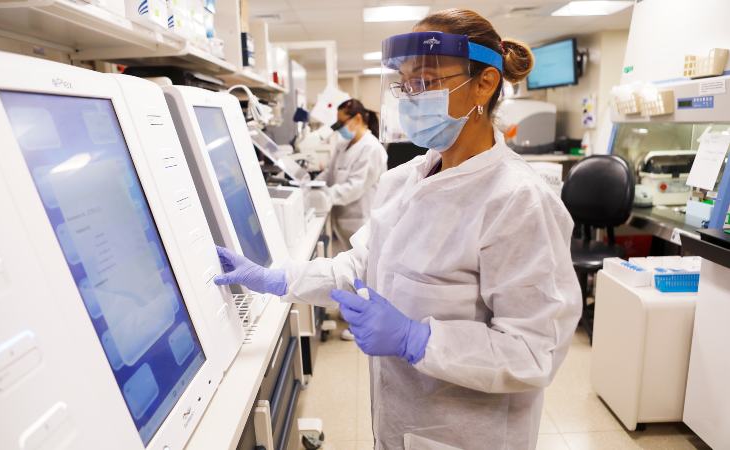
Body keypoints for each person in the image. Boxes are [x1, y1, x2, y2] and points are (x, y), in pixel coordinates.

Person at [214, 8, 581, 450]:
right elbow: (360, 267)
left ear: (485, 83)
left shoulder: (518, 201)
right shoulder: (404, 181)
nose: (411, 97)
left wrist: (418, 339)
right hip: (398, 423)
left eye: (426, 81)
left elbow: (534, 350)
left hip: (467, 436)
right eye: (405, 84)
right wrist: (278, 278)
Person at [321, 98, 387, 250]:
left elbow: (356, 187)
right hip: (342, 221)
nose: (339, 129)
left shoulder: (372, 148)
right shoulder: (342, 145)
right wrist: (311, 187)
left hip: (361, 222)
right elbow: (329, 174)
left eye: (342, 123)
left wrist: (325, 196)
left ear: (357, 118)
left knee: (364, 262)